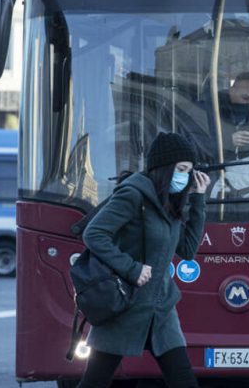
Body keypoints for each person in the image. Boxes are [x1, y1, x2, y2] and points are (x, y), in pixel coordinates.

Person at [78, 132, 210, 388]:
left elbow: (188, 249)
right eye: (181, 169)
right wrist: (131, 268)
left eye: (189, 171)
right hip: (126, 305)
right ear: (164, 168)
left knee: (184, 381)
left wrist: (198, 199)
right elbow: (93, 234)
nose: (185, 176)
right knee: (95, 382)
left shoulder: (168, 202)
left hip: (161, 308)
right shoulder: (134, 194)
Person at [216, 71, 249, 161]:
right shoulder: (209, 112)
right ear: (232, 91)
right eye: (246, 98)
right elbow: (194, 147)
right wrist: (227, 141)